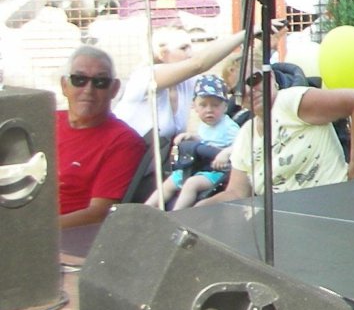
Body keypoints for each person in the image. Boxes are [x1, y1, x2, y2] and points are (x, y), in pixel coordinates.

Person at [214, 67, 354, 201]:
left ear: (271, 76)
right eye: (239, 89)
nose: (248, 91)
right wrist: (200, 210)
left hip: (333, 204)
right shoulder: (246, 134)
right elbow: (237, 193)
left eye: (254, 79)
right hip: (284, 221)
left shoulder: (289, 101)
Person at [113, 25, 249, 148]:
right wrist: (246, 33)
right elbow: (199, 64)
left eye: (190, 47)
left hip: (151, 161)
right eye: (183, 48)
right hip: (120, 152)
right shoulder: (145, 76)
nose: (191, 53)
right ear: (163, 54)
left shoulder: (187, 82)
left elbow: (219, 87)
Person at [55, 45, 146, 228]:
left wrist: (34, 231)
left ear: (114, 89)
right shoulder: (46, 121)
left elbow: (99, 214)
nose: (88, 90)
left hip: (62, 235)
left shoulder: (123, 141)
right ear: (65, 85)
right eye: (79, 79)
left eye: (100, 82)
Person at [160, 74, 240, 209]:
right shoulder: (204, 126)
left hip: (219, 172)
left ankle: (175, 216)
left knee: (191, 184)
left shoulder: (229, 127)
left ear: (225, 106)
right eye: (203, 105)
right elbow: (206, 141)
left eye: (215, 105)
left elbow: (241, 146)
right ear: (194, 106)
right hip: (199, 166)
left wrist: (226, 153)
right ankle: (145, 210)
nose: (209, 110)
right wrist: (191, 137)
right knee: (172, 180)